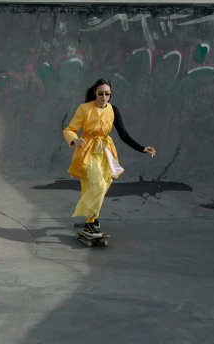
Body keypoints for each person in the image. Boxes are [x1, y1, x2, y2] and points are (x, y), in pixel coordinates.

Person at [63, 78, 156, 237]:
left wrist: (142, 148)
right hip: (87, 151)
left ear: (110, 95)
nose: (104, 97)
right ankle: (89, 224)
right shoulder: (84, 108)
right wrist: (74, 138)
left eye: (107, 94)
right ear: (95, 93)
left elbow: (124, 135)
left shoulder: (113, 110)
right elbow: (70, 129)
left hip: (106, 152)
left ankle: (93, 217)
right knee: (97, 185)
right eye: (101, 93)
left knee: (104, 183)